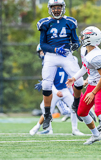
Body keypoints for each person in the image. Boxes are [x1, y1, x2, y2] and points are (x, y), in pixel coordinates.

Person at [66, 26, 101, 146]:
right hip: (92, 85)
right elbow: (84, 67)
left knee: (99, 111)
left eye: (85, 36)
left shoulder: (96, 56)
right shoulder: (84, 50)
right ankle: (96, 135)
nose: (82, 38)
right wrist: (74, 78)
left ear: (90, 39)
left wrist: (93, 93)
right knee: (81, 112)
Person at [37, 0, 85, 129]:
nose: (56, 10)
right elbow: (43, 45)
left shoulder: (70, 21)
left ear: (62, 8)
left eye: (59, 7)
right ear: (50, 9)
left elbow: (75, 40)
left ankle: (75, 104)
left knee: (79, 82)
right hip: (51, 56)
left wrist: (75, 45)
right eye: (54, 8)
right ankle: (47, 114)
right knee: (46, 84)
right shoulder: (44, 23)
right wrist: (55, 49)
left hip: (66, 55)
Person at [29, 44, 84, 136]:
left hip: (65, 89)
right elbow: (49, 80)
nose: (41, 54)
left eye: (42, 51)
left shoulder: (69, 59)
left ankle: (75, 129)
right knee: (46, 109)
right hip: (55, 90)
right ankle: (39, 127)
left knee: (74, 107)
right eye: (40, 52)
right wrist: (53, 90)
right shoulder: (48, 62)